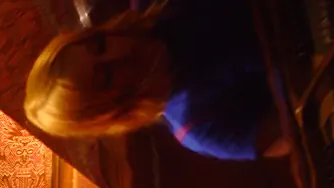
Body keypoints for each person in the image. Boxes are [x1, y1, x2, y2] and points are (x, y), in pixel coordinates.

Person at [24, 0, 290, 160]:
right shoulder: (199, 125)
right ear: (106, 108)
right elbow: (298, 133)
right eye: (105, 77)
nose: (117, 55)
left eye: (100, 46)